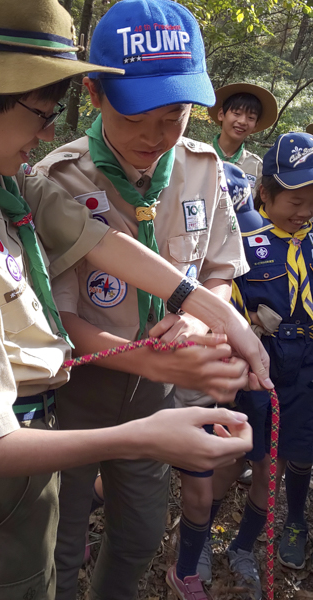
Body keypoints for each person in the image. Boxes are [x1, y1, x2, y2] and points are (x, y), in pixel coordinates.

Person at [0, 0, 267, 597]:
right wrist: (141, 436)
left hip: (33, 458)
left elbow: (94, 237)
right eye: (39, 113)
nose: (50, 132)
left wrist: (213, 309)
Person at [34, 2, 261, 599]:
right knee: (59, 539)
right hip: (78, 397)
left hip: (158, 404)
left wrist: (192, 313)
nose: (155, 136)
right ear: (95, 93)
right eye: (137, 113)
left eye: (176, 115)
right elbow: (57, 318)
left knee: (136, 536)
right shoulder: (60, 180)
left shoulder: (202, 169)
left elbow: (218, 269)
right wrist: (154, 358)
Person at [200, 132, 313, 600]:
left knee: (273, 470)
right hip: (254, 373)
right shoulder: (244, 241)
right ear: (265, 193)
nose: (305, 209)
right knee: (230, 460)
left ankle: (245, 546)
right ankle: (201, 536)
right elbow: (216, 302)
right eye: (296, 198)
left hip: (304, 376)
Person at [208, 83, 278, 197]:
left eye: (251, 118)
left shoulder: (257, 167)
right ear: (221, 114)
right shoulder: (198, 155)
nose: (242, 121)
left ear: (256, 125)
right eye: (237, 113)